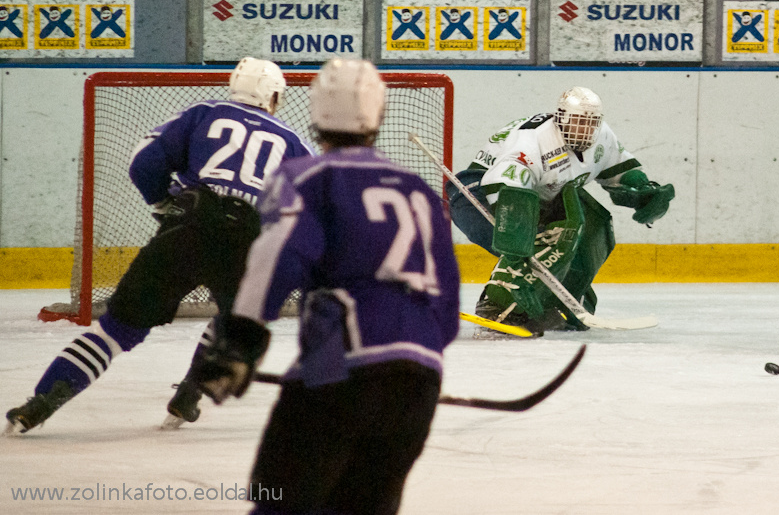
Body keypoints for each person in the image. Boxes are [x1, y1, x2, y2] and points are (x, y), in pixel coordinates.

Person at [193, 58, 461, 515]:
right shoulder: (417, 189)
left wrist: (241, 339)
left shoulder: (305, 177)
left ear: (316, 113)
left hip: (339, 367)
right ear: (378, 114)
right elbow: (448, 305)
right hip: (419, 379)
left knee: (280, 503)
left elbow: (278, 258)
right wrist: (410, 358)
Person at [5, 57, 314, 434]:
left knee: (116, 330)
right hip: (246, 243)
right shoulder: (295, 143)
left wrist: (164, 206)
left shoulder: (203, 112)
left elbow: (144, 163)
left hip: (186, 230)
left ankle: (38, 404)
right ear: (275, 95)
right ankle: (191, 389)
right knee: (236, 319)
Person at [448, 86, 674, 332]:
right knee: (520, 240)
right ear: (560, 118)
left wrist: (642, 190)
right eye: (577, 121)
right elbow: (506, 190)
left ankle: (556, 298)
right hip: (477, 190)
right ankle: (498, 303)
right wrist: (521, 236)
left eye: (591, 123)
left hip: (540, 194)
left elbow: (621, 171)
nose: (584, 129)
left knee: (591, 224)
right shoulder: (534, 142)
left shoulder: (602, 138)